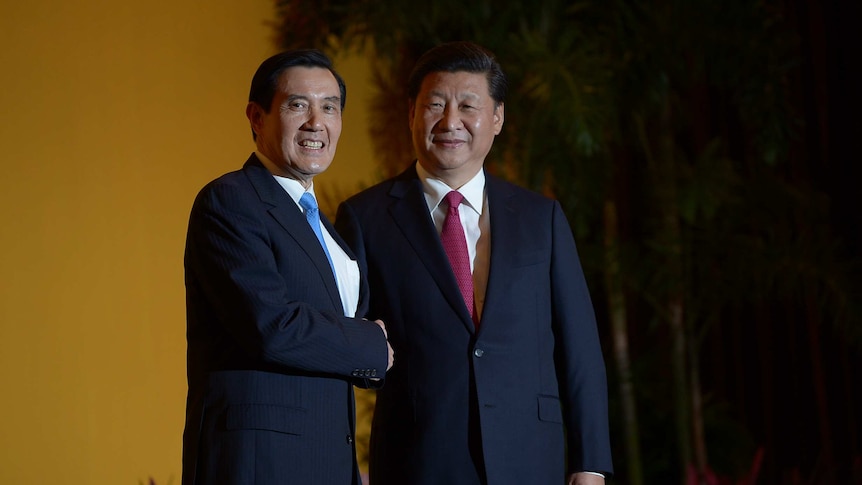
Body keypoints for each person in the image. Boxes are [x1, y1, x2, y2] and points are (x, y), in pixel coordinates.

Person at [335, 41, 613, 484]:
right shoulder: (364, 218)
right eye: (435, 105)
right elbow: (347, 345)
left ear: (497, 117)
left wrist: (591, 464)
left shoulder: (542, 219)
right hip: (418, 459)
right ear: (411, 113)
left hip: (530, 459)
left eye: (468, 105)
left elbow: (580, 351)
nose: (450, 122)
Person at [182, 49, 394, 485]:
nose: (317, 121)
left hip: (327, 460)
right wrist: (373, 345)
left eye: (330, 107)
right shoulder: (230, 201)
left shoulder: (325, 228)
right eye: (298, 105)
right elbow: (270, 325)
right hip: (261, 462)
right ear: (256, 117)